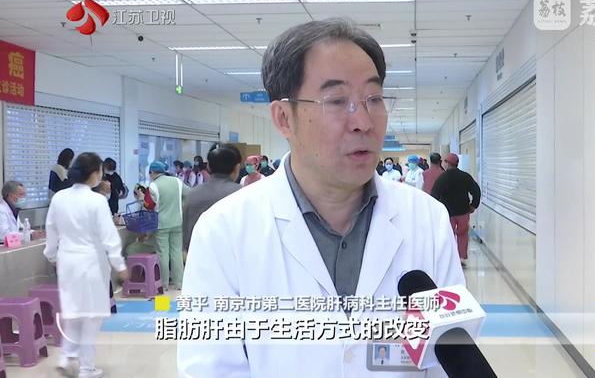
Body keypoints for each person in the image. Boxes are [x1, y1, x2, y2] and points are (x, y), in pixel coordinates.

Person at [178, 18, 464, 377]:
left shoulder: (427, 220)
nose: (363, 121)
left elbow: (449, 361)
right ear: (284, 118)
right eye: (337, 101)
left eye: (374, 99)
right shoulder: (224, 231)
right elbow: (212, 368)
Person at [43, 152, 128, 378]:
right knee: (91, 316)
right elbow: (109, 236)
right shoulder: (97, 201)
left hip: (67, 262)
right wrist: (119, 264)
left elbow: (51, 229)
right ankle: (86, 367)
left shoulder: (60, 198)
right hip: (91, 263)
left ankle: (67, 356)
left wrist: (52, 256)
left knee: (73, 312)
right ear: (94, 174)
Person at [182, 144, 242, 254]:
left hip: (199, 257)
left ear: (208, 166)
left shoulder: (192, 194)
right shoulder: (242, 194)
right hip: (234, 258)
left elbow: (186, 239)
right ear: (236, 167)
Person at [431, 153, 482, 268]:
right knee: (463, 235)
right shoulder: (465, 176)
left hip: (447, 213)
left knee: (448, 235)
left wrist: (436, 210)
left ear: (447, 163)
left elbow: (434, 195)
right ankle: (461, 258)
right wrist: (473, 205)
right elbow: (476, 191)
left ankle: (449, 258)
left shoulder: (442, 178)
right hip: (463, 211)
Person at [148, 161, 189, 291]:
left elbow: (149, 205)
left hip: (161, 224)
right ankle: (179, 283)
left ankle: (163, 284)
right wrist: (181, 204)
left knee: (163, 254)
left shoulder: (153, 186)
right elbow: (189, 194)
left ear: (152, 172)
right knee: (177, 252)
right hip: (178, 222)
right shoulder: (177, 181)